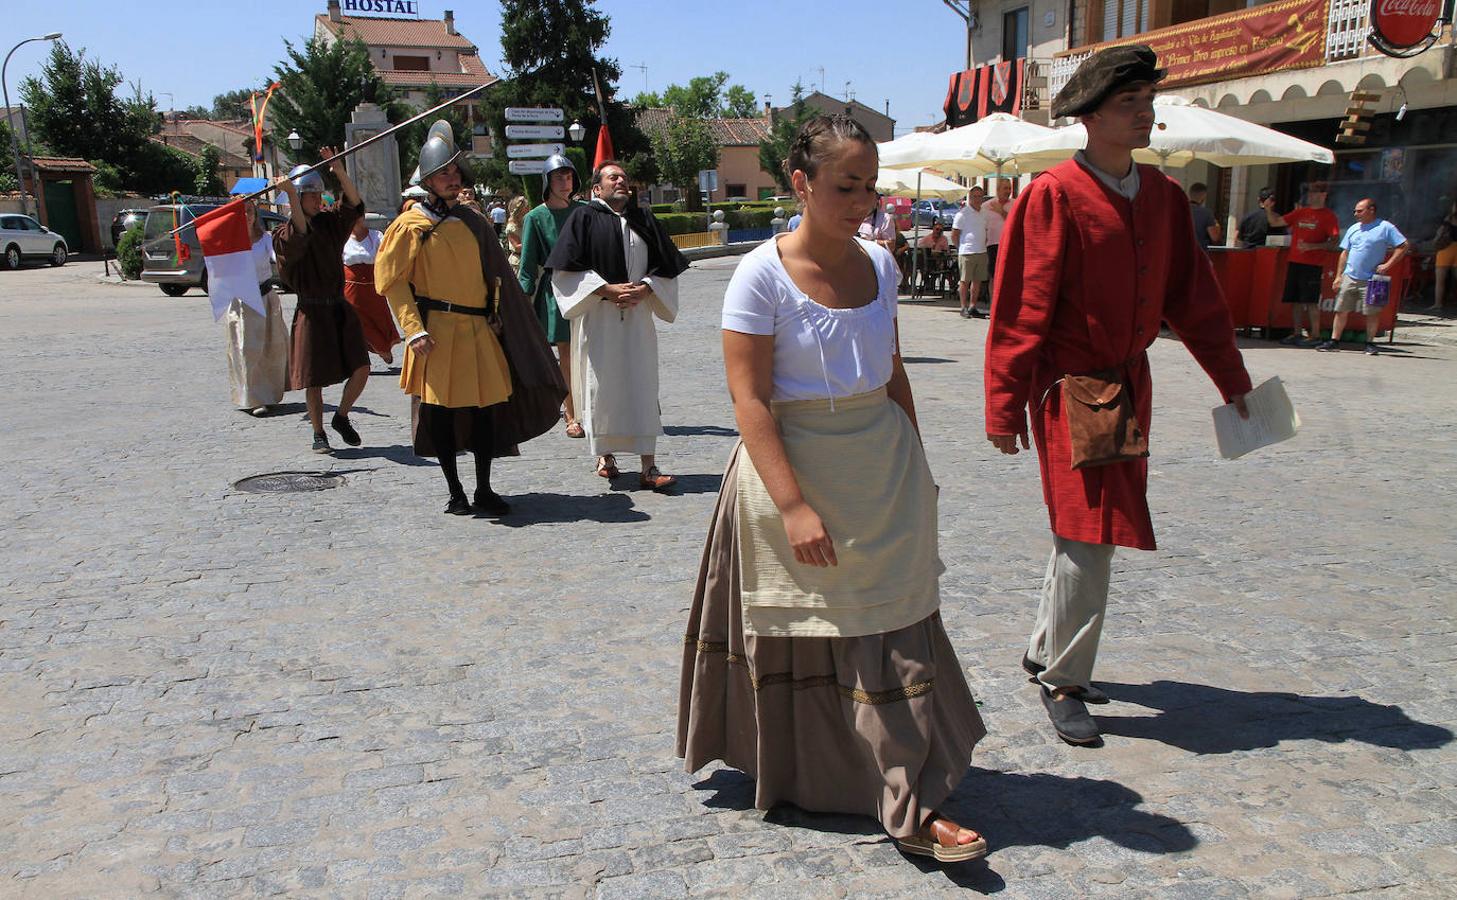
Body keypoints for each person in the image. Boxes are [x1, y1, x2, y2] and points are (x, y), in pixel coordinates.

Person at [679, 114, 986, 865]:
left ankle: (904, 785)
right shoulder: (760, 275)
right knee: (819, 633)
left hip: (879, 472)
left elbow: (893, 369)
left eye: (869, 187)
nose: (862, 202)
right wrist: (792, 506)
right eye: (846, 186)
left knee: (895, 626)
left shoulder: (881, 265)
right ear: (800, 183)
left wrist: (916, 464)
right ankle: (874, 794)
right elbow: (749, 402)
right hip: (795, 468)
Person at [985, 45, 1252, 747]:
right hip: (1071, 390)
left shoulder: (1163, 199)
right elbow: (1019, 309)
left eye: (1147, 103)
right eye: (1130, 105)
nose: (1145, 115)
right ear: (1091, 115)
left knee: (1083, 531)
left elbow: (1195, 302)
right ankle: (1063, 681)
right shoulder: (1051, 195)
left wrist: (1232, 380)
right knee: (1089, 530)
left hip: (1129, 384)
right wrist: (1002, 405)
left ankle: (1047, 650)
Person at [374, 122, 566, 514]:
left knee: (484, 414)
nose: (452, 178)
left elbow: (492, 275)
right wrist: (413, 331)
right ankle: (455, 492)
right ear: (427, 178)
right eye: (444, 172)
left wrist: (497, 315)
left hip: (478, 330)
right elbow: (392, 284)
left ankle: (483, 489)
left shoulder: (473, 221)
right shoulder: (410, 226)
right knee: (442, 414)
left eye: (455, 171)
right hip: (438, 332)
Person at [547, 161, 690, 491]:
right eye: (614, 177)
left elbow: (666, 266)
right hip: (600, 319)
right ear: (597, 188)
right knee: (602, 387)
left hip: (637, 321)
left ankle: (648, 466)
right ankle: (605, 456)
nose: (622, 181)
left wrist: (646, 288)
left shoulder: (644, 219)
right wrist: (605, 290)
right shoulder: (582, 218)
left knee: (642, 386)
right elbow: (565, 273)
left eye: (625, 177)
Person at [273, 152, 371, 455]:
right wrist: (291, 194)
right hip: (311, 311)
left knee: (362, 367)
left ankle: (341, 416)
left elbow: (354, 206)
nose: (318, 200)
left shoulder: (329, 224)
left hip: (338, 307)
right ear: (298, 199)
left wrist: (340, 172)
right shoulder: (283, 235)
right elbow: (300, 234)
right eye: (310, 195)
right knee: (313, 379)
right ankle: (318, 432)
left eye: (319, 194)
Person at [518, 156, 588, 438]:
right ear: (547, 182)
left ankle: (593, 408)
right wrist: (520, 303)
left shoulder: (585, 211)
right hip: (555, 290)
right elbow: (527, 266)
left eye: (569, 177)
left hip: (588, 285)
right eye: (558, 177)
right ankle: (571, 414)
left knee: (591, 353)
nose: (565, 182)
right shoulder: (535, 217)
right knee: (567, 356)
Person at [222, 200, 289, 416]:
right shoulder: (230, 242)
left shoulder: (265, 239)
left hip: (266, 296)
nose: (246, 216)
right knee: (247, 349)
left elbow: (276, 258)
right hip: (242, 300)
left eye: (250, 211)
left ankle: (268, 393)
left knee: (271, 347)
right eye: (241, 212)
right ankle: (253, 398)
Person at [1319, 197, 1408, 355]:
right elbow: (1344, 253)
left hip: (1372, 279)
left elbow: (1403, 245)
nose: (1356, 214)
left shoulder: (1385, 227)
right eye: (1355, 211)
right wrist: (1339, 276)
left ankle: (1370, 343)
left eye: (1359, 211)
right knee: (1341, 310)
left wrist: (1388, 265)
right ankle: (1334, 341)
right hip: (1350, 276)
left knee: (1372, 312)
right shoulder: (1353, 228)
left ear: (1371, 210)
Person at [1266, 181, 1339, 346]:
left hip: (1313, 265)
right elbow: (1276, 222)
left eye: (1314, 193)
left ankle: (1315, 335)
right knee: (1295, 300)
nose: (1310, 196)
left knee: (1311, 301)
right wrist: (1268, 208)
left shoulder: (1328, 216)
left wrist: (1312, 246)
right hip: (1295, 261)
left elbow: (1334, 241)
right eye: (1310, 192)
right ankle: (1297, 332)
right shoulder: (1300, 212)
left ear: (1323, 195)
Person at [342, 215, 401, 366]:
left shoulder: (375, 236)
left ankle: (381, 347)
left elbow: (386, 257)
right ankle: (379, 350)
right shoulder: (342, 238)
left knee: (378, 319)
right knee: (357, 322)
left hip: (372, 288)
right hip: (351, 290)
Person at [951, 186, 991, 318]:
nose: (978, 199)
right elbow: (954, 234)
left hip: (981, 250)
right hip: (966, 251)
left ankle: (973, 306)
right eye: (975, 196)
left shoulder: (984, 213)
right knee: (964, 281)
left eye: (980, 196)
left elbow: (985, 230)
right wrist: (960, 248)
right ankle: (963, 307)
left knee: (977, 281)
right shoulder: (962, 214)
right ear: (970, 197)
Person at [984, 178, 1014, 296]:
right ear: (997, 190)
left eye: (1009, 188)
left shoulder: (1015, 204)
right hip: (993, 245)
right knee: (994, 275)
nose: (1008, 191)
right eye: (1005, 188)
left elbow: (1015, 223)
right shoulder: (986, 206)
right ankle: (993, 303)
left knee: (1008, 275)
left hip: (1010, 244)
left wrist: (1001, 212)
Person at [1428, 198, 1457, 312]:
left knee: (1440, 279)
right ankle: (1440, 303)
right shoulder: (1448, 219)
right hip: (1451, 249)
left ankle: (1438, 304)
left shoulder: (1448, 219)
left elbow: (1440, 233)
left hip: (1445, 249)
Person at [1187, 182, 1222, 251]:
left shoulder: (1178, 209)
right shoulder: (1206, 213)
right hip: (1199, 253)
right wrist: (1217, 226)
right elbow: (1215, 237)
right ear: (1204, 196)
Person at [503, 196, 528, 273]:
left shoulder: (526, 221)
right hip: (518, 261)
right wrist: (533, 242)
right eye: (526, 207)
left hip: (529, 259)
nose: (528, 209)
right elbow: (517, 247)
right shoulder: (511, 226)